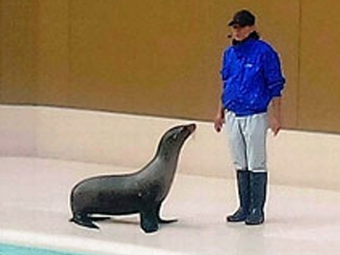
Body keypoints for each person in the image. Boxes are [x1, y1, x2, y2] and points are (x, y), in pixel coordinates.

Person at [214, 9, 285, 225]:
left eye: (242, 27)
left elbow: (275, 85)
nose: (237, 31)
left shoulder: (264, 52)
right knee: (239, 160)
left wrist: (276, 116)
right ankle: (243, 206)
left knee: (256, 161)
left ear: (251, 28)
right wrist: (220, 111)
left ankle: (257, 208)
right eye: (235, 27)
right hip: (234, 111)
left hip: (255, 113)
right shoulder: (229, 54)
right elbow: (227, 83)